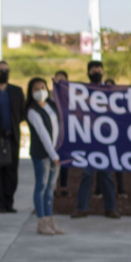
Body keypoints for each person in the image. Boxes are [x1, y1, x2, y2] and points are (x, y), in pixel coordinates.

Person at [74, 60, 119, 219]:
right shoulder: (82, 92)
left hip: (106, 138)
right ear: (88, 73)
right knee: (87, 175)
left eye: (99, 70)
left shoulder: (109, 91)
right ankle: (82, 208)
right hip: (88, 138)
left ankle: (110, 208)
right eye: (94, 70)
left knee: (106, 175)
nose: (97, 73)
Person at [27, 78, 66, 235]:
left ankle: (50, 220)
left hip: (54, 152)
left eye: (42, 87)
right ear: (31, 92)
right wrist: (53, 154)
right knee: (41, 186)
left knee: (51, 188)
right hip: (43, 154)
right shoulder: (32, 111)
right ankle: (41, 222)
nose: (40, 91)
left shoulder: (51, 105)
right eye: (36, 88)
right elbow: (43, 134)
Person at [0, 60, 24, 213]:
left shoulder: (17, 91)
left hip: (12, 137)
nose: (4, 73)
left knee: (11, 171)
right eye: (1, 70)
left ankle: (9, 202)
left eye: (6, 70)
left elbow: (21, 112)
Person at [52, 70, 71, 198]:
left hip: (65, 133)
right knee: (53, 161)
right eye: (57, 78)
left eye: (62, 79)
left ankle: (63, 187)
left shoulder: (69, 96)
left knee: (64, 161)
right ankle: (53, 186)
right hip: (54, 133)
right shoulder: (50, 97)